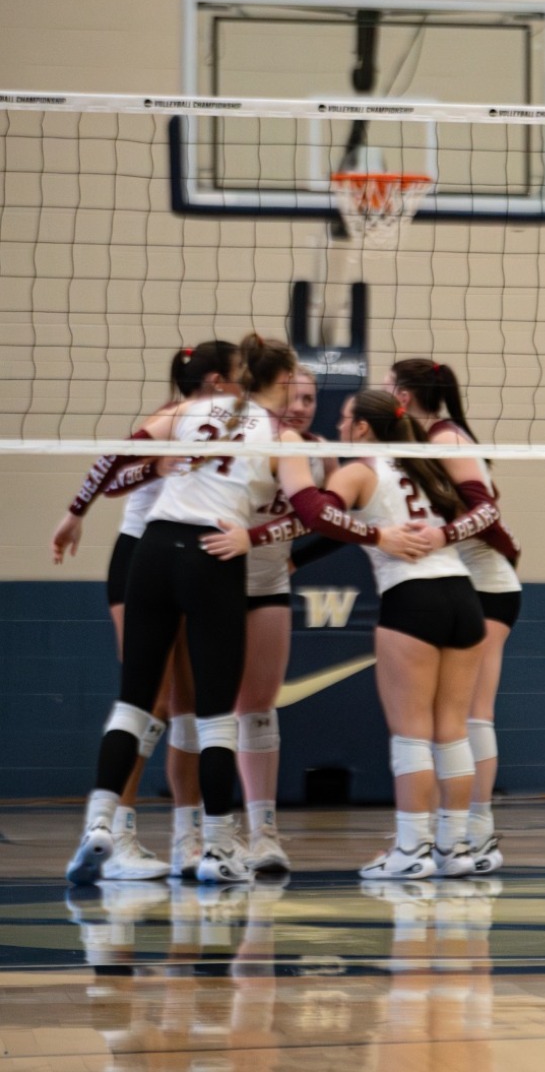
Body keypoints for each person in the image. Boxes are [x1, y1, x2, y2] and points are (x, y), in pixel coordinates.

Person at [68, 335, 431, 885]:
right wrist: (376, 534)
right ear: (281, 380)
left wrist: (73, 513)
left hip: (164, 552)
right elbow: (315, 512)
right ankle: (209, 844)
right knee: (209, 713)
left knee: (139, 702)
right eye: (298, 387)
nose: (305, 403)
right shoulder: (276, 436)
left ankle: (104, 823)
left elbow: (111, 461)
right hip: (213, 558)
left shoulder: (189, 411)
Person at [231, 390, 498, 878]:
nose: (338, 424)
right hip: (462, 595)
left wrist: (371, 531)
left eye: (346, 419)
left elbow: (316, 514)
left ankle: (411, 852)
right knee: (452, 732)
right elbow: (482, 509)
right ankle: (454, 849)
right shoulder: (430, 464)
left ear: (364, 429)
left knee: (412, 734)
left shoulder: (360, 469)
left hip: (411, 598)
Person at [51, 342, 236, 880]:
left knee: (184, 704)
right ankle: (113, 831)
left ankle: (185, 837)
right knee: (150, 699)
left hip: (182, 559)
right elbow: (112, 470)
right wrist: (76, 513)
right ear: (219, 380)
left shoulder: (230, 426)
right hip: (143, 556)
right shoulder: (173, 419)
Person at [391, 358, 524, 875]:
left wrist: (441, 537)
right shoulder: (427, 440)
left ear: (403, 395)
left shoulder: (447, 440)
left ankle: (477, 832)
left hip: (487, 587)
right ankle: (454, 832)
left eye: (388, 387)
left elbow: (486, 511)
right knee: (454, 717)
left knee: (472, 713)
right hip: (465, 585)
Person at [232, 365, 337, 873]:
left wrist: (296, 559)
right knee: (201, 707)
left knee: (258, 706)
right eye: (292, 397)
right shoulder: (240, 438)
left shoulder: (320, 453)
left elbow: (342, 519)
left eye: (310, 399)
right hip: (214, 582)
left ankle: (264, 831)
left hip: (269, 585)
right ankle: (206, 830)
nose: (300, 407)